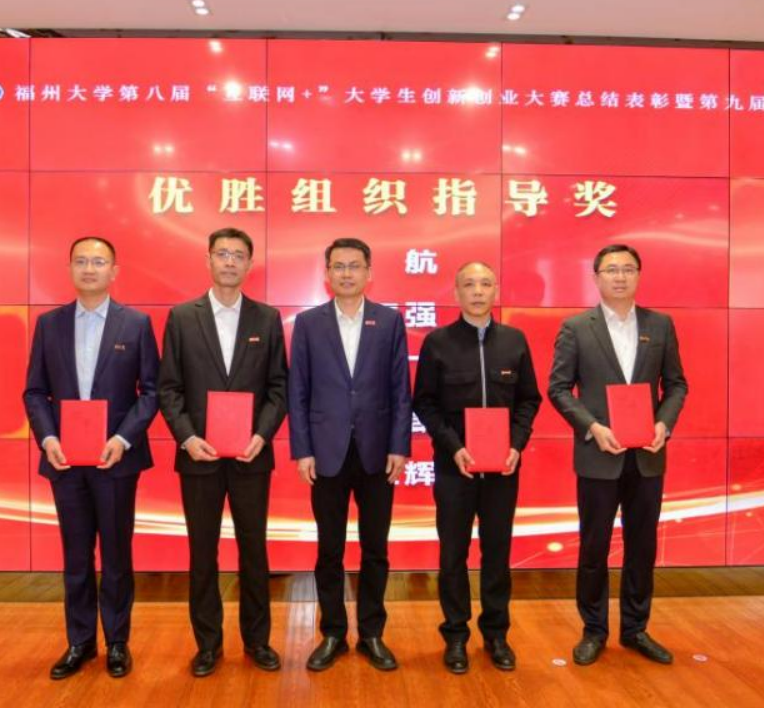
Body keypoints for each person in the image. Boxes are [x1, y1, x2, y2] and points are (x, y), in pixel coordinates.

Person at [24, 236, 160, 680]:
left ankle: (117, 641)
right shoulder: (49, 324)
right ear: (69, 269)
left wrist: (123, 438)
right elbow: (35, 391)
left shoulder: (135, 324)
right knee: (76, 555)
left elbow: (152, 391)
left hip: (115, 459)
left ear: (113, 271)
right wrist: (48, 437)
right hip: (65, 460)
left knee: (117, 554)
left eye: (98, 262)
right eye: (81, 261)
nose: (89, 268)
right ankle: (79, 642)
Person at [547, 244, 687, 666]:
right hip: (599, 455)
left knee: (642, 546)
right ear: (596, 278)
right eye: (611, 270)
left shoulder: (660, 325)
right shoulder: (577, 327)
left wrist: (664, 424)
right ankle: (593, 630)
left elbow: (676, 385)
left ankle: (635, 628)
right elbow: (558, 388)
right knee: (594, 547)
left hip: (647, 455)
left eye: (628, 269)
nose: (620, 277)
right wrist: (592, 427)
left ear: (639, 275)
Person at [158, 228, 288, 678]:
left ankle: (258, 641)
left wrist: (263, 434)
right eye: (222, 254)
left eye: (238, 255)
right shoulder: (182, 317)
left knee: (254, 550)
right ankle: (208, 645)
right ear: (208, 260)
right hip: (200, 457)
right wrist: (187, 438)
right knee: (202, 553)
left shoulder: (267, 319)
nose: (230, 262)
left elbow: (279, 387)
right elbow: (169, 388)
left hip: (252, 456)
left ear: (250, 264)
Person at [288, 237, 412, 672]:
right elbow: (298, 390)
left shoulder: (389, 321)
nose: (346, 273)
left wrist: (400, 445)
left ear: (368, 272)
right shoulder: (309, 323)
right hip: (326, 453)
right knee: (330, 549)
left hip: (378, 452)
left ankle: (373, 633)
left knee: (375, 548)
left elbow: (400, 389)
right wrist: (302, 449)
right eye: (338, 266)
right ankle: (333, 633)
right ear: (327, 274)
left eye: (354, 266)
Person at [412, 262, 541, 673]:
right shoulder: (438, 343)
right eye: (469, 284)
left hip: (503, 468)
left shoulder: (514, 341)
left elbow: (529, 400)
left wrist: (516, 444)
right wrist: (453, 447)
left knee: (497, 553)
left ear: (496, 290)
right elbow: (424, 402)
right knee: (453, 554)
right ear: (457, 293)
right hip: (456, 468)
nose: (478, 291)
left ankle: (496, 634)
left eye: (485, 283)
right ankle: (455, 635)